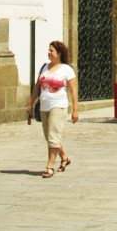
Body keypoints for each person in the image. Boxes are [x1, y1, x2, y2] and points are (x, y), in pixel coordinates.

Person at [27, 40, 79, 178]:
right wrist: (30, 104)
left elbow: (73, 91)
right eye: (49, 50)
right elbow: (37, 87)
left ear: (59, 53)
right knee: (49, 136)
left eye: (52, 51)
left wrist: (75, 110)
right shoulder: (44, 67)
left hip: (59, 105)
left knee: (53, 136)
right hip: (44, 106)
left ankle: (49, 166)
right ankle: (65, 158)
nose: (49, 53)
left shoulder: (66, 69)